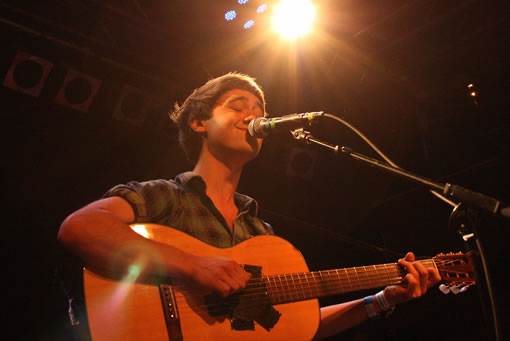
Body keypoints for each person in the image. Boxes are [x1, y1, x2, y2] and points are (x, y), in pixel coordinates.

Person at [58, 72, 441, 340]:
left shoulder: (260, 236)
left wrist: (380, 300)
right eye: (237, 106)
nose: (254, 116)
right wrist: (193, 266)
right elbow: (81, 228)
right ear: (198, 123)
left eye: (258, 109)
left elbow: (292, 327)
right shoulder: (165, 195)